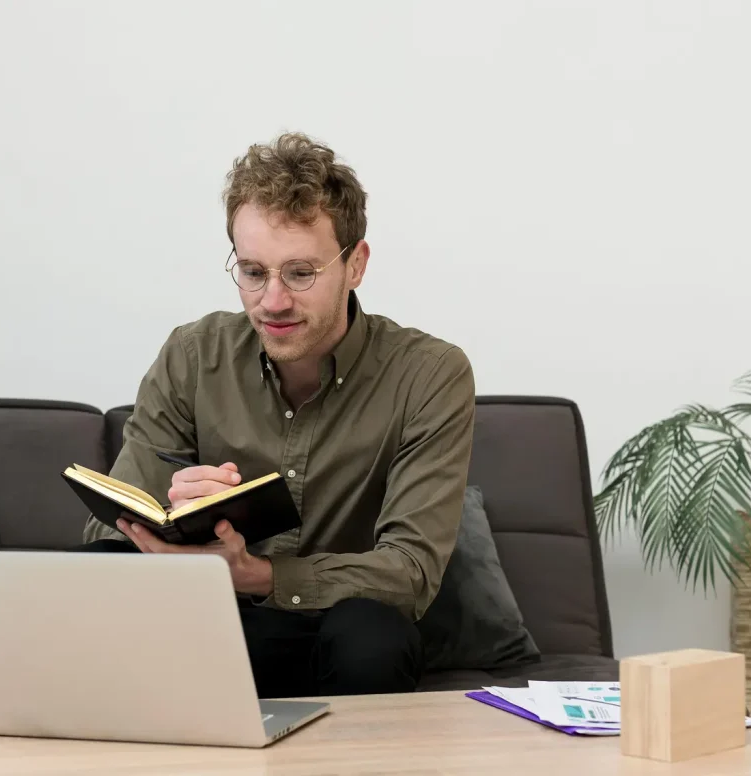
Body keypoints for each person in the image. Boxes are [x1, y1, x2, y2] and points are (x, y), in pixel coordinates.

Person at [81, 132, 476, 698]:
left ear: (356, 264)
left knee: (373, 633)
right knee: (93, 566)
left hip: (335, 633)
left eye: (300, 273)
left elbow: (409, 572)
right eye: (253, 271)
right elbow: (107, 526)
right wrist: (174, 520)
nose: (272, 301)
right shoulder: (193, 355)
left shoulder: (430, 374)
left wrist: (260, 575)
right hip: (208, 623)